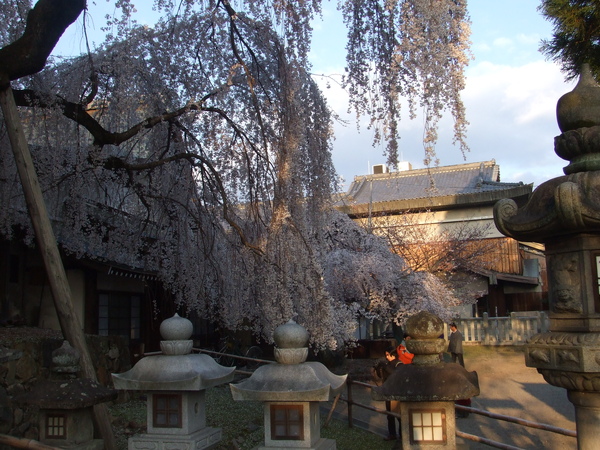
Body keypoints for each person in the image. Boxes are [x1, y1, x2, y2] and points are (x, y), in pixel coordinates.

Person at [373, 346, 402, 441]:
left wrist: (384, 366)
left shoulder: (399, 364)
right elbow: (379, 376)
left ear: (392, 355)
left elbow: (395, 374)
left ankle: (402, 434)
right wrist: (378, 368)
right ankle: (392, 434)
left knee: (399, 415)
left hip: (397, 393)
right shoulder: (387, 364)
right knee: (389, 415)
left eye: (387, 355)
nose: (386, 357)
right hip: (388, 392)